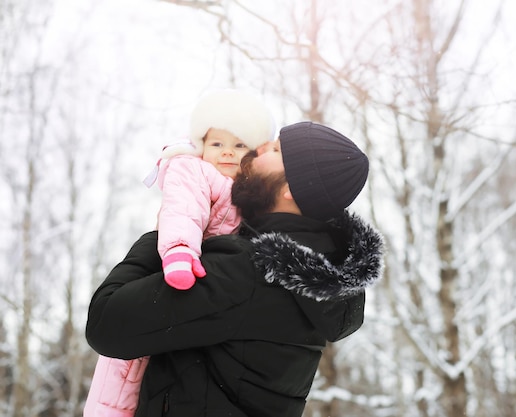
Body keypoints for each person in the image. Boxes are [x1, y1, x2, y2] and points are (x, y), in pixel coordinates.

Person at [85, 121, 384, 417]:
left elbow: (106, 322)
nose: (260, 147)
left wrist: (166, 231)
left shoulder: (248, 273)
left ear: (290, 189)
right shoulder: (312, 283)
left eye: (276, 150)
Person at [83, 89, 275, 417]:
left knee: (159, 356)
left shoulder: (251, 189)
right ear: (201, 146)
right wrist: (179, 252)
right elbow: (182, 212)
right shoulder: (193, 170)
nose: (227, 152)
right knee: (127, 362)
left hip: (210, 279)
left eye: (239, 145)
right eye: (217, 144)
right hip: (178, 265)